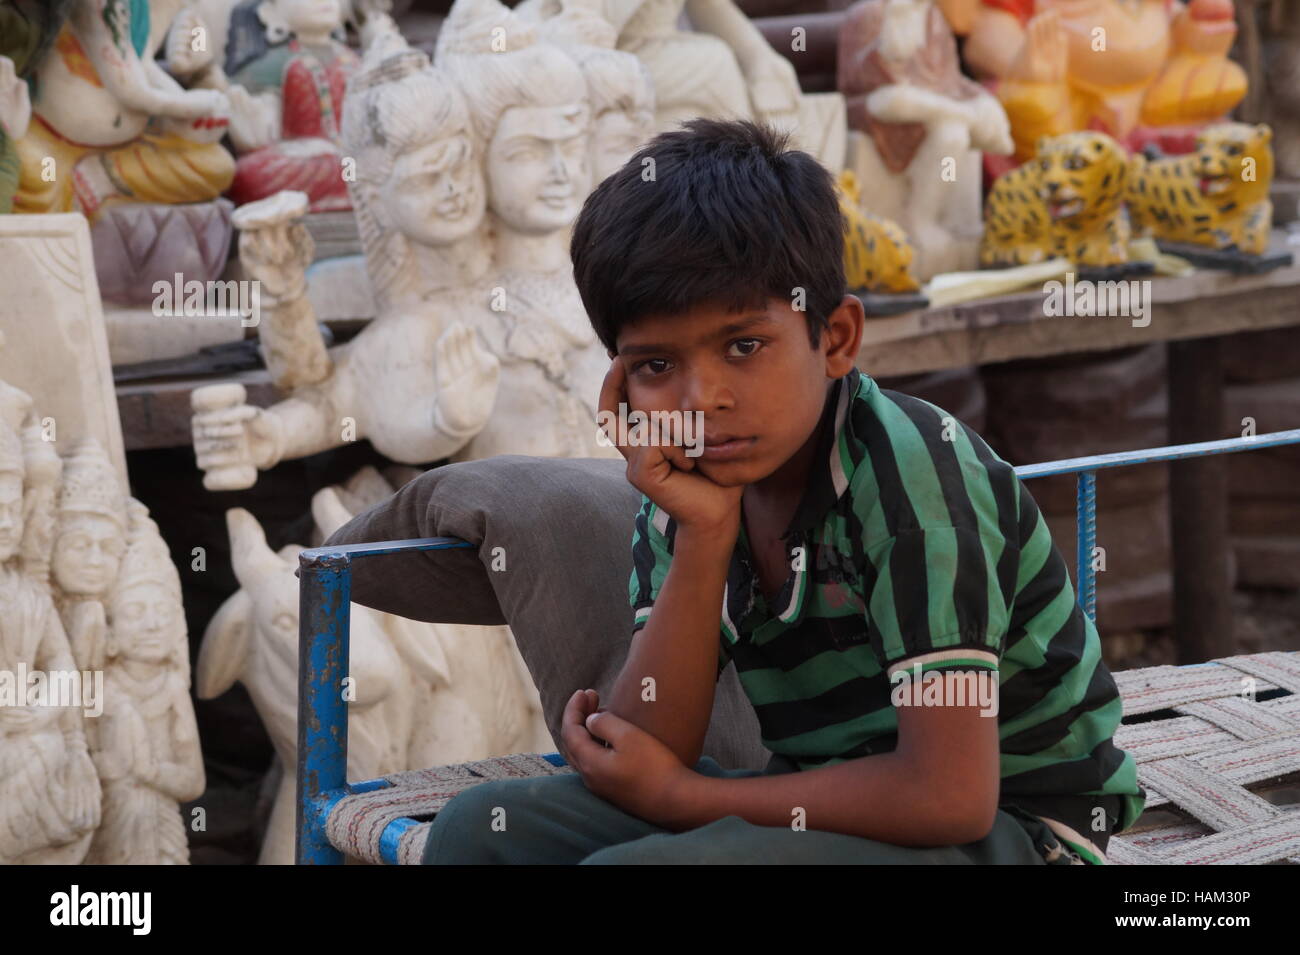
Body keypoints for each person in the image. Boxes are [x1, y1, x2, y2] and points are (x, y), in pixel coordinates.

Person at [423, 118, 1145, 864]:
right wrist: (705, 534)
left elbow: (949, 796)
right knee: (476, 832)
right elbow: (648, 748)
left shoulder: (912, 481)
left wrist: (692, 800)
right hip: (824, 804)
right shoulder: (689, 489)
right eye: (657, 365)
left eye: (744, 346)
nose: (703, 397)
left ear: (834, 338)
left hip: (1014, 828)